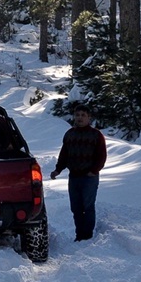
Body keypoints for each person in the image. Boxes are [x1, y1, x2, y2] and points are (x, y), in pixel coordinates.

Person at [49, 104, 107, 242]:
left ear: (89, 118)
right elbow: (64, 154)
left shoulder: (96, 135)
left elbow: (102, 156)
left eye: (83, 115)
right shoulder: (70, 134)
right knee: (76, 207)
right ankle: (79, 234)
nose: (80, 118)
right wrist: (58, 169)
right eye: (77, 115)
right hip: (74, 176)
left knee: (88, 206)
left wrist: (94, 171)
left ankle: (87, 235)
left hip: (89, 177)